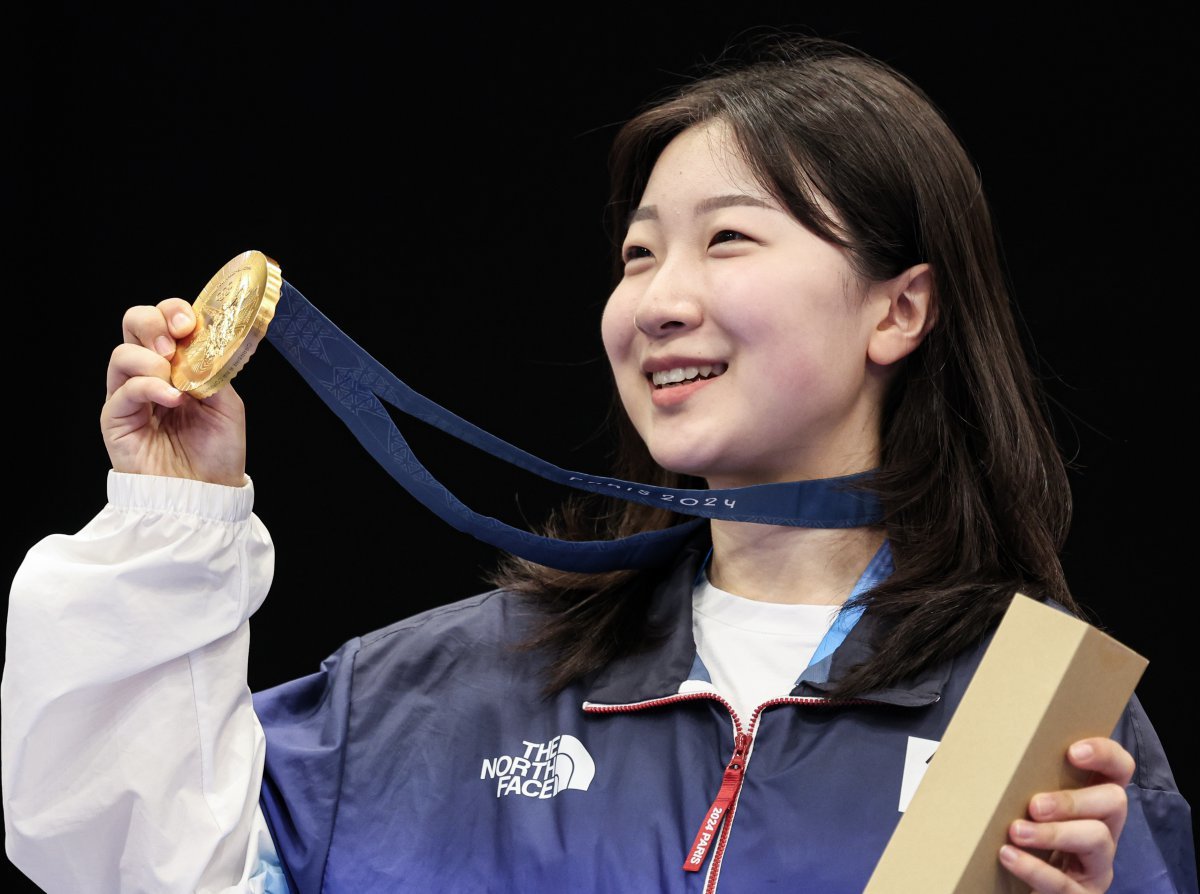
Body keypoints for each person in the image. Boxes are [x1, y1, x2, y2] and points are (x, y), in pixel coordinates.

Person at [3, 34, 1195, 894]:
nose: (658, 301)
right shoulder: (434, 694)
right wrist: (172, 521)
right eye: (636, 256)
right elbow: (134, 867)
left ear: (899, 310)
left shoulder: (1040, 729)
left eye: (728, 238)